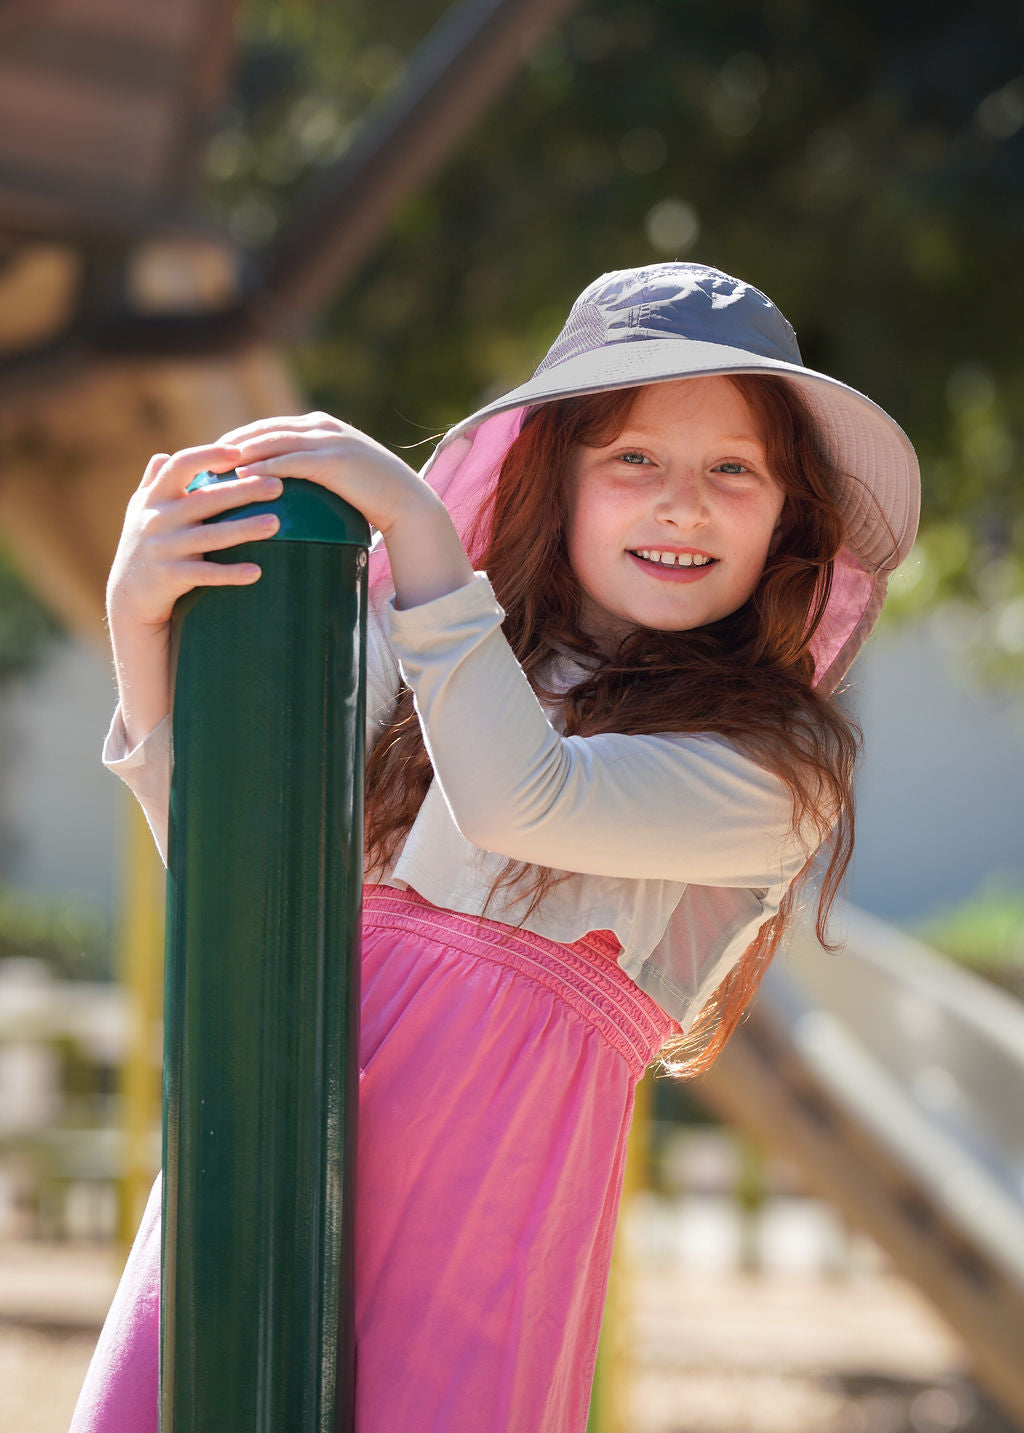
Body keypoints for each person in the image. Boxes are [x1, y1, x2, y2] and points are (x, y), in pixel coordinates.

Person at [71, 262, 919, 1433]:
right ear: (552, 482)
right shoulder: (430, 672)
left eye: (735, 469)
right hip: (265, 1141)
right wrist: (136, 626)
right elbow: (235, 882)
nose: (684, 503)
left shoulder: (773, 763)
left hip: (484, 1222)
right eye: (633, 457)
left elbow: (523, 798)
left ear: (787, 517)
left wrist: (415, 524)